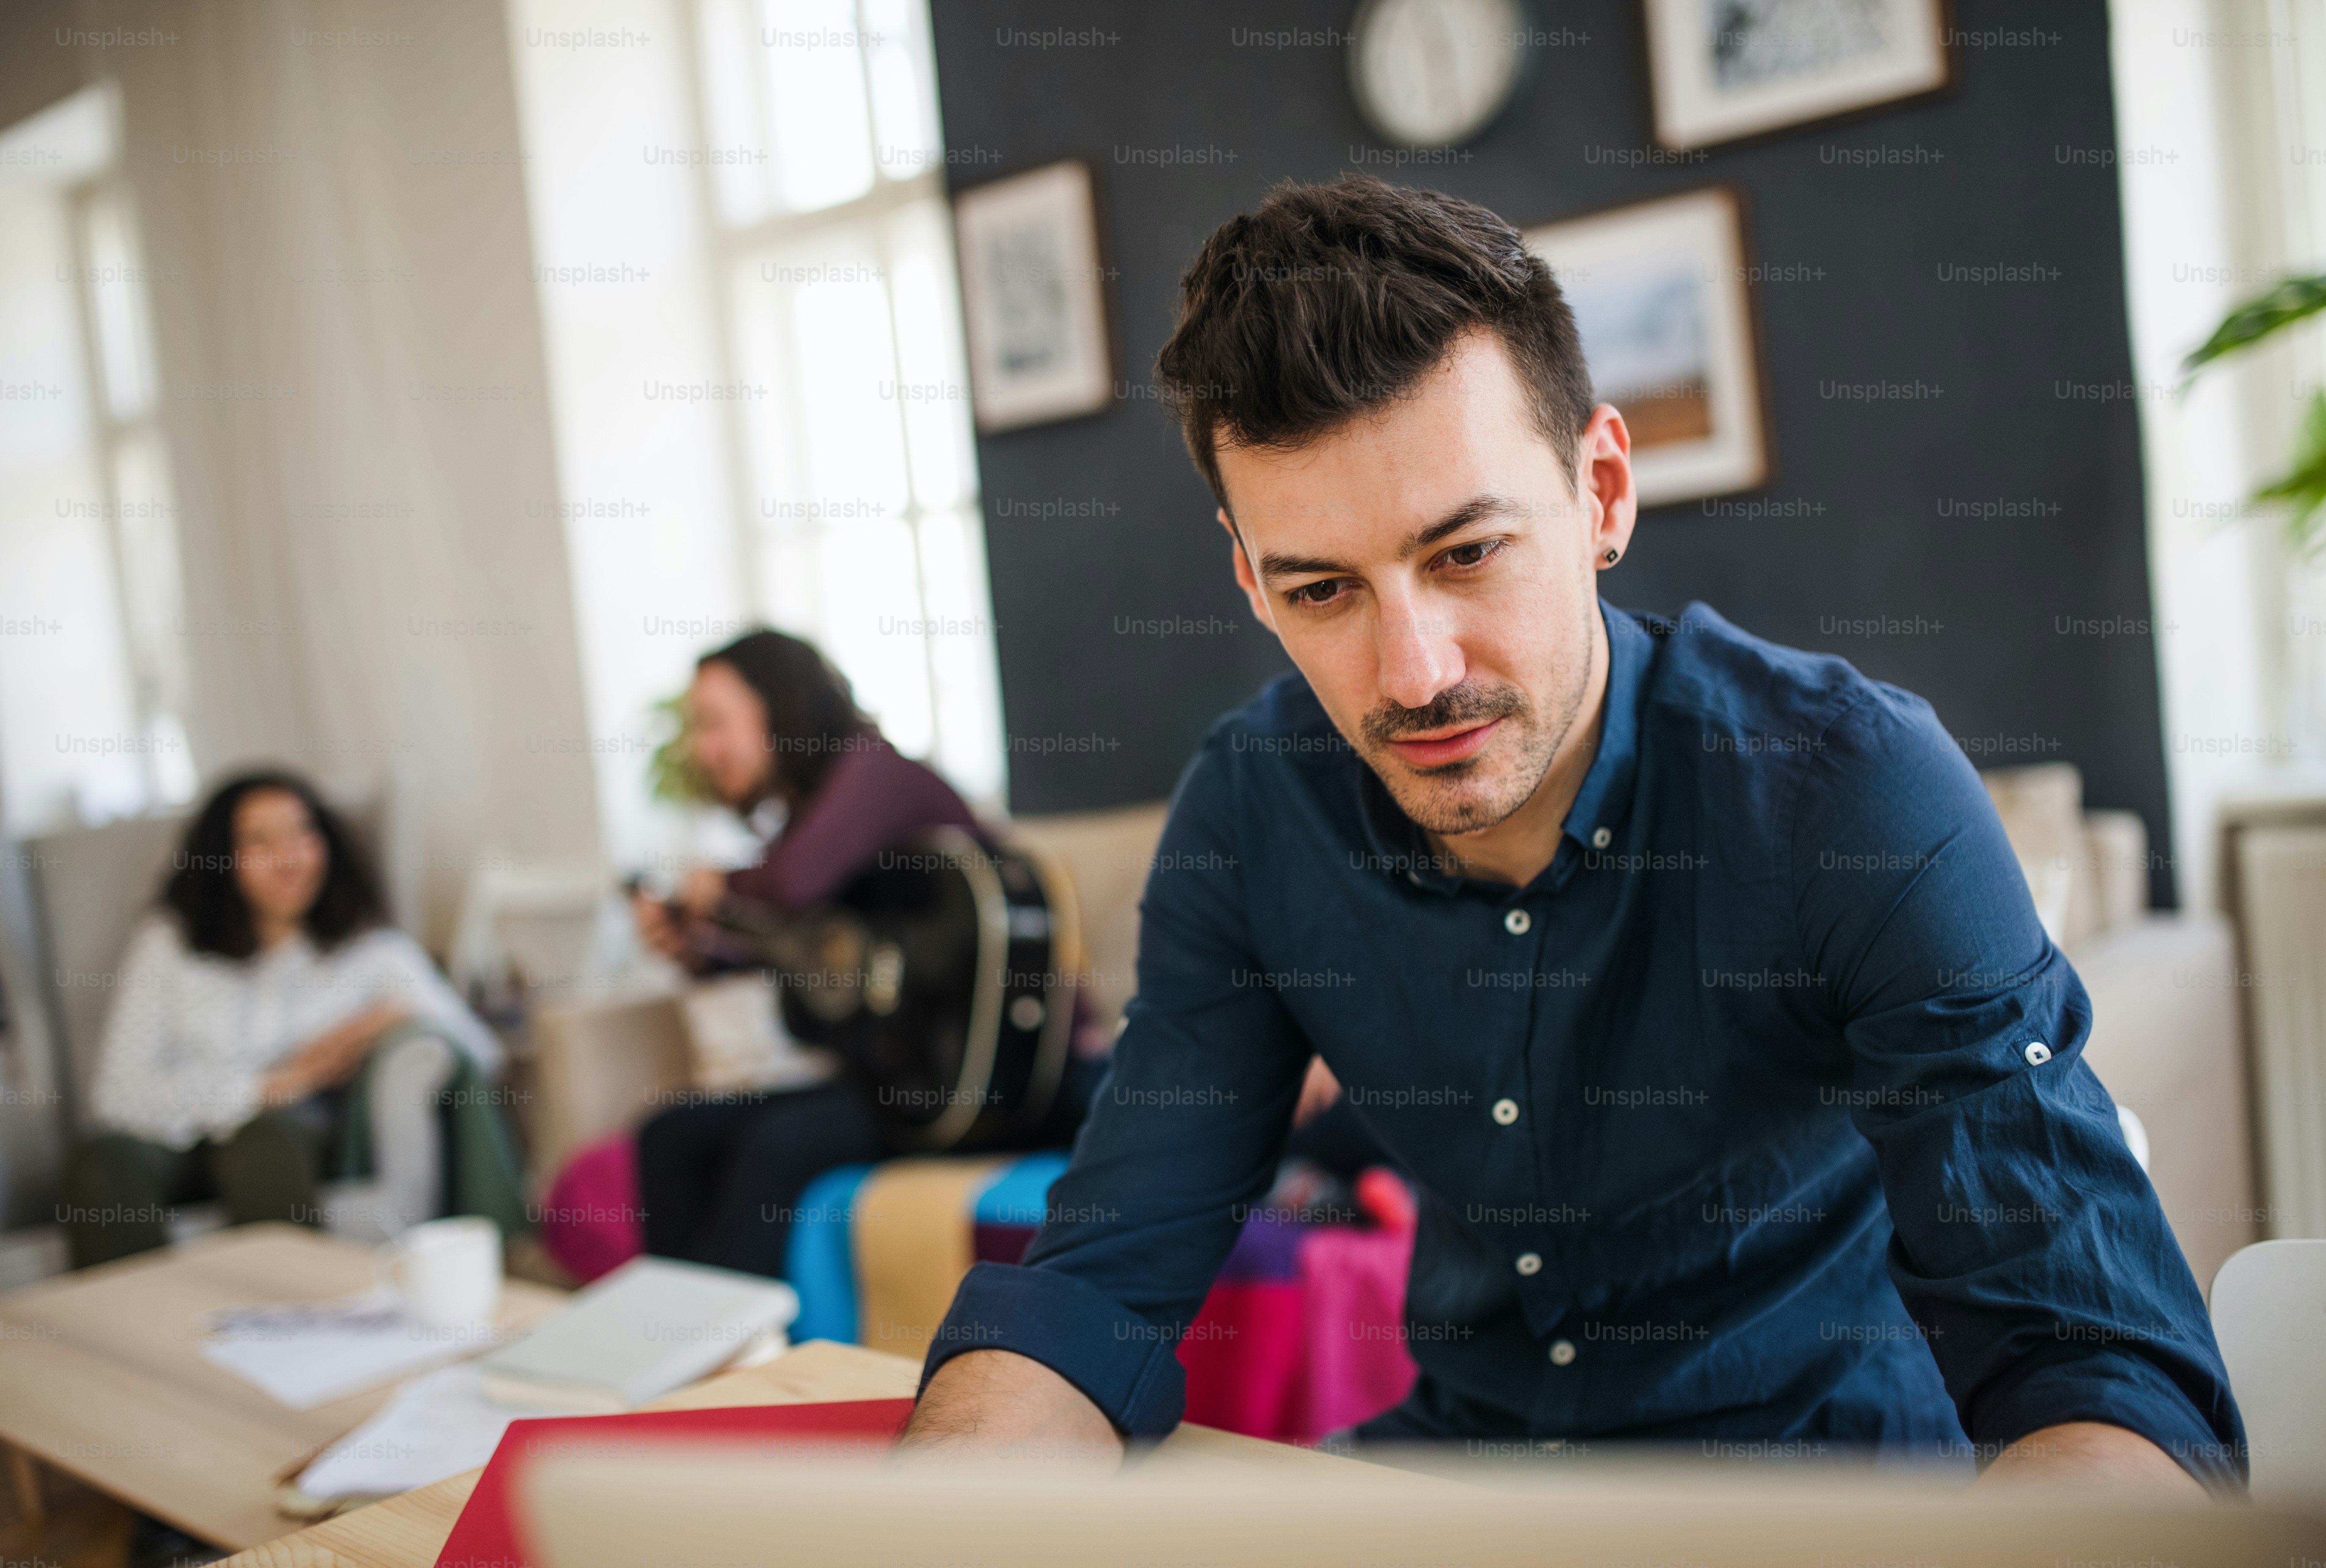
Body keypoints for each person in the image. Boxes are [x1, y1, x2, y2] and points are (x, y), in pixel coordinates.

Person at [900, 177, 2245, 1494]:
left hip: (1821, 1496)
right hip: (1461, 1477)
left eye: (1466, 552)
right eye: (1321, 589)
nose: (1413, 673)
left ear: (1600, 489)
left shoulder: (1845, 791)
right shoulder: (1252, 808)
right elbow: (1103, 1275)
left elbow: (2094, 1364)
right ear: (1251, 581)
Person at [631, 630, 1096, 1278]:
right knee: (670, 1137)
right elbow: (807, 947)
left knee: (778, 1145)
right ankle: (680, 1337)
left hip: (996, 1080)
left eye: (714, 724)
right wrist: (700, 951)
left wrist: (713, 889)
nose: (701, 750)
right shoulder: (814, 812)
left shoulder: (874, 773)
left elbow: (790, 884)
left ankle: (723, 1348)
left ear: (779, 707)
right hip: (902, 1078)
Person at [66, 772, 507, 1267]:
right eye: (260, 840)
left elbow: (480, 1052)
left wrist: (383, 1019)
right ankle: (125, 1326)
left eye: (303, 833)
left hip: (285, 1139)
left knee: (263, 1141)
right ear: (221, 857)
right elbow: (117, 1094)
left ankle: (295, 1321)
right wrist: (272, 1085)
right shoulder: (170, 944)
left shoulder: (367, 951)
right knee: (105, 1159)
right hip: (171, 1138)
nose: (290, 856)